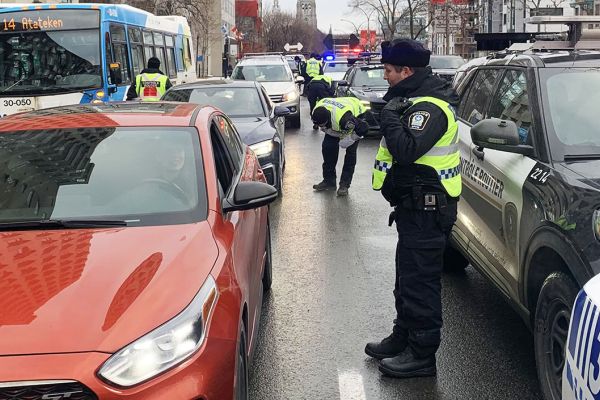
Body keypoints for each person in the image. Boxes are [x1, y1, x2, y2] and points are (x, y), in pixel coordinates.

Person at [364, 39, 461, 378]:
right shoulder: (413, 100)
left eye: (389, 71)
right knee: (406, 277)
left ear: (406, 71)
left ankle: (422, 354)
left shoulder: (430, 107)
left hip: (428, 207)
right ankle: (403, 336)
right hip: (412, 207)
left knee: (420, 281)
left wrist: (390, 115)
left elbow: (406, 149)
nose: (385, 76)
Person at [311, 97, 369, 196]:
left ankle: (344, 185)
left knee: (350, 154)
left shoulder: (345, 120)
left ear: (328, 119)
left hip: (357, 115)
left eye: (323, 125)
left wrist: (351, 139)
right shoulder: (316, 111)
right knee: (328, 149)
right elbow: (324, 125)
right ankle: (329, 181)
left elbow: (364, 128)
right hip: (338, 116)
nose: (321, 128)